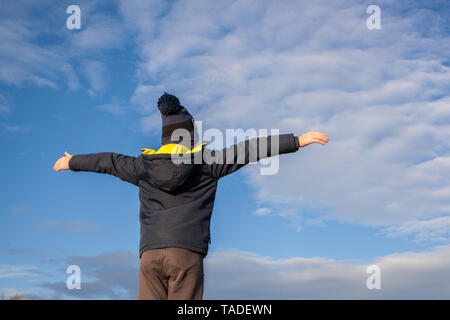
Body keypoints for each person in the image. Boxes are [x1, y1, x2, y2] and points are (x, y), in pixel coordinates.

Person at [53, 92, 329, 299]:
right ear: (191, 139)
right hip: (186, 254)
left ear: (165, 139)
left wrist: (73, 161)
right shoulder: (207, 163)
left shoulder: (142, 166)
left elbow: (108, 161)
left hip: (150, 255)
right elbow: (250, 149)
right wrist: (296, 141)